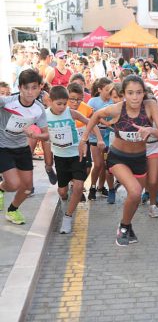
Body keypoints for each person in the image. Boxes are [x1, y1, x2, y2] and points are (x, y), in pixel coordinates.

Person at [79, 75, 158, 246]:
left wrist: (151, 129)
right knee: (135, 192)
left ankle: (128, 225)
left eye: (139, 92)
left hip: (140, 158)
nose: (135, 97)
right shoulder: (117, 109)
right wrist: (84, 139)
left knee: (134, 198)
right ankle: (123, 227)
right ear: (124, 94)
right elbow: (96, 115)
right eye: (130, 93)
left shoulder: (150, 107)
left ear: (144, 93)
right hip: (118, 157)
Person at [46, 86, 103, 233]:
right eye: (59, 104)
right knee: (62, 191)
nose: (63, 107)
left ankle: (68, 216)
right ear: (50, 102)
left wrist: (100, 139)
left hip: (77, 155)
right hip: (60, 157)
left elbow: (91, 123)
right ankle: (66, 201)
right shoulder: (44, 116)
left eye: (65, 103)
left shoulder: (71, 113)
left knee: (78, 186)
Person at [0, 69, 49, 225]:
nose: (30, 92)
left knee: (27, 188)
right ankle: (2, 188)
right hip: (3, 147)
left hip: (22, 148)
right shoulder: (7, 102)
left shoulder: (39, 108)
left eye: (34, 87)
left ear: (39, 88)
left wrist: (34, 135)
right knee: (14, 184)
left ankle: (12, 210)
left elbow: (47, 135)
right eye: (26, 88)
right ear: (19, 87)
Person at [87, 78, 114, 201]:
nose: (109, 92)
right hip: (94, 137)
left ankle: (101, 187)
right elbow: (90, 119)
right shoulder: (93, 101)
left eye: (111, 89)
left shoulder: (114, 101)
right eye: (107, 89)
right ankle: (92, 187)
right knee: (97, 164)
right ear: (99, 90)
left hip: (109, 138)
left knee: (105, 165)